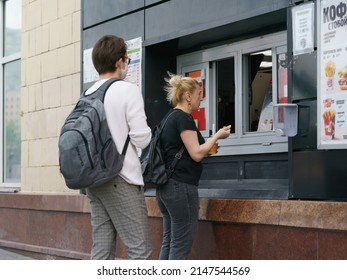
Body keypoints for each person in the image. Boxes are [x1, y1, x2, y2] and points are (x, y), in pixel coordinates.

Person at [85, 35, 152, 260]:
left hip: (94, 180)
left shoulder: (87, 94)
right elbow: (142, 139)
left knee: (102, 251)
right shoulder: (127, 89)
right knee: (139, 252)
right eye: (127, 59)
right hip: (121, 177)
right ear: (119, 62)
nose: (127, 64)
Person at [157, 73, 231, 259]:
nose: (201, 99)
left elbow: (189, 151)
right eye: (199, 95)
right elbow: (196, 154)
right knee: (180, 246)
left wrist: (208, 148)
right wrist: (217, 135)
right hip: (181, 187)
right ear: (188, 96)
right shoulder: (183, 118)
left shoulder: (168, 118)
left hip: (165, 187)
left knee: (170, 241)